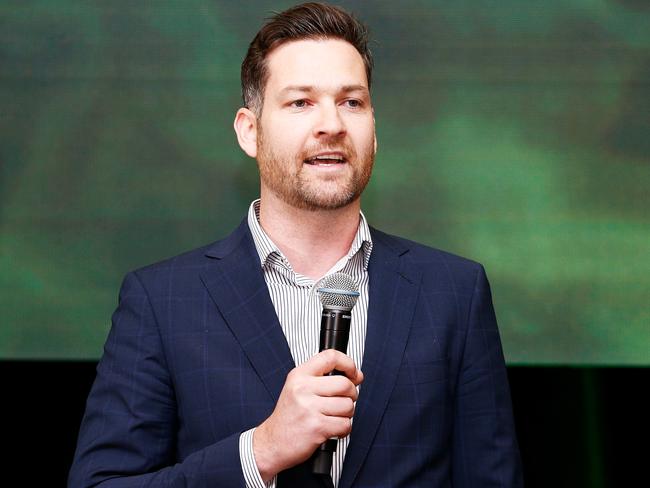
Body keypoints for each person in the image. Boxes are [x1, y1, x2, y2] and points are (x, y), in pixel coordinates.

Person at [68, 3, 523, 487]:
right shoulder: (162, 301)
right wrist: (259, 452)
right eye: (300, 102)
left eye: (352, 101)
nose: (332, 124)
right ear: (250, 131)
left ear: (374, 129)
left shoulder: (454, 292)